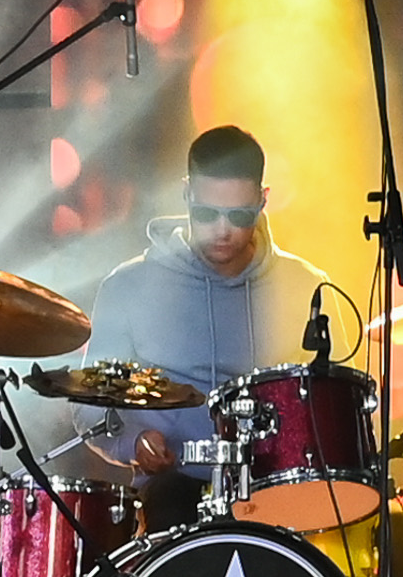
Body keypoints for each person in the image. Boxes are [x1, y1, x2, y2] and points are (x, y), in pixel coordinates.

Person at [75, 125, 328, 532]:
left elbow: (337, 407)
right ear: (186, 194)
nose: (223, 229)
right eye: (208, 213)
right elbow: (89, 406)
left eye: (239, 215)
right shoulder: (128, 287)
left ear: (262, 201)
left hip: (276, 490)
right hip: (171, 492)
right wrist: (134, 442)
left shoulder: (307, 288)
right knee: (169, 503)